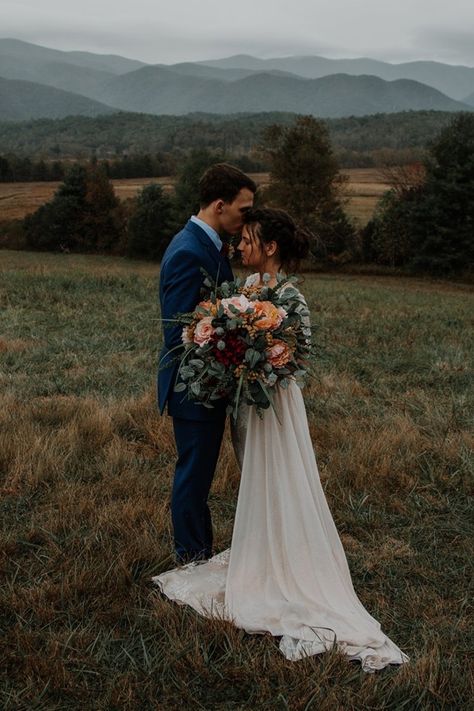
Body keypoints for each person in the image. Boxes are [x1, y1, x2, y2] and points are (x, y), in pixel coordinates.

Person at [154, 208, 408, 672]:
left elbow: (293, 359)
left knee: (279, 477)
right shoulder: (246, 290)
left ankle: (288, 563)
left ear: (270, 247)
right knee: (255, 477)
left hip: (275, 408)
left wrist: (258, 358)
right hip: (247, 407)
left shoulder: (290, 298)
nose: (239, 247)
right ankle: (261, 550)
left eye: (248, 239)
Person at [158, 163, 256, 564]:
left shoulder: (210, 245)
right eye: (244, 209)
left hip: (211, 383)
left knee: (200, 475)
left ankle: (200, 550)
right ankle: (190, 559)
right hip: (193, 385)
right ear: (220, 205)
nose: (247, 218)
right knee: (194, 476)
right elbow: (178, 333)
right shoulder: (187, 252)